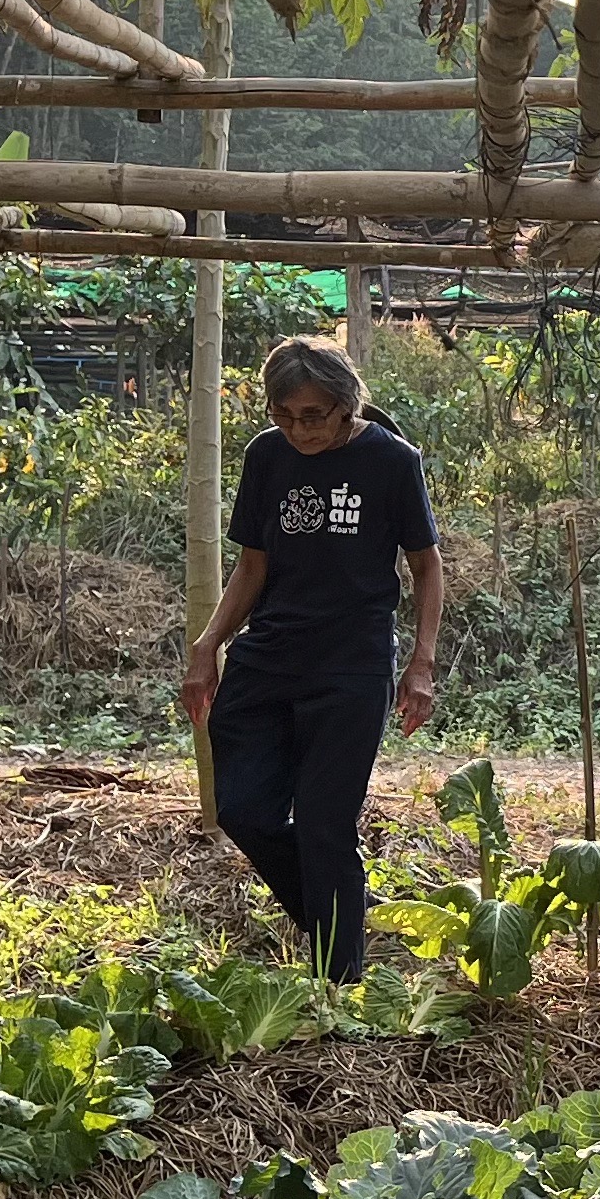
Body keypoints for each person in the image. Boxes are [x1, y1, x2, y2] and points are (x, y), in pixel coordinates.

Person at [181, 337, 444, 983]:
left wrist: (421, 664)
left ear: (346, 405)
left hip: (350, 666)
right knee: (241, 808)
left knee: (326, 825)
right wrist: (208, 644)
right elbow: (252, 564)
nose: (298, 429)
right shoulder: (266, 456)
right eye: (284, 414)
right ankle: (348, 921)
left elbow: (426, 566)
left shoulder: (391, 460)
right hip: (267, 658)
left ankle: (341, 981)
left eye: (313, 415)